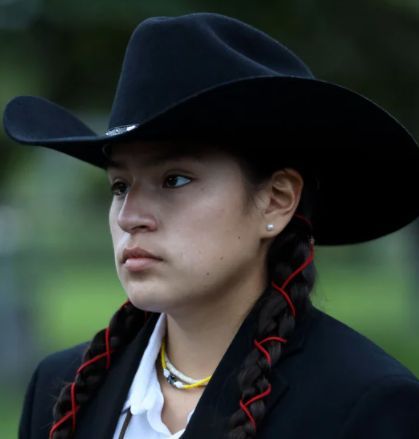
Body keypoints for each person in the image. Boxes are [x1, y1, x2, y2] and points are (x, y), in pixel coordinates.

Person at [3, 12, 419, 439]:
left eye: (174, 180)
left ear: (276, 201)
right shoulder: (61, 393)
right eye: (120, 187)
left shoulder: (363, 407)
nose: (129, 217)